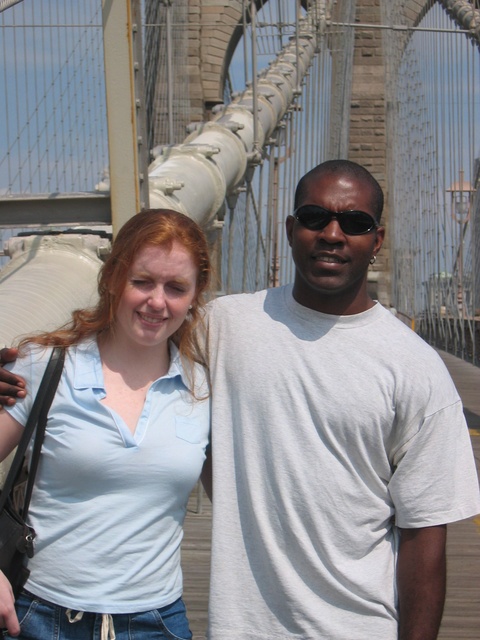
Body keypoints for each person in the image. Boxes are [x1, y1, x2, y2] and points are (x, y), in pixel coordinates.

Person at [2, 160, 480, 639]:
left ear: (376, 240)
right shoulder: (222, 327)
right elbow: (126, 334)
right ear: (291, 230)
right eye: (315, 218)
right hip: (233, 627)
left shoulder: (417, 370)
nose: (333, 234)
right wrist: (19, 365)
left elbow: (425, 537)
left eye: (354, 223)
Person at [0, 208, 211, 639]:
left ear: (195, 295)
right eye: (142, 281)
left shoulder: (204, 389)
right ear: (113, 278)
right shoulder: (45, 367)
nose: (157, 301)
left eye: (176, 287)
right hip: (39, 618)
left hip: (157, 623)